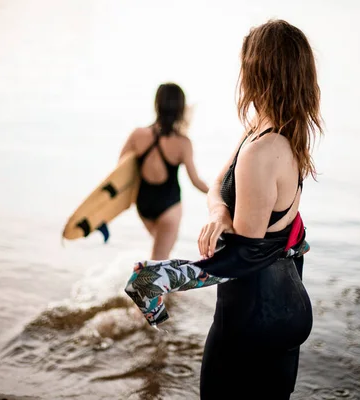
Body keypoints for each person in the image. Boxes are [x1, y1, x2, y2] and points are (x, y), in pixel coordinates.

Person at [124, 19, 321, 399]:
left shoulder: (261, 150)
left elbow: (246, 255)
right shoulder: (274, 133)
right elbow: (218, 186)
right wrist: (220, 215)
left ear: (257, 71)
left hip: (252, 316)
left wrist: (163, 277)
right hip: (290, 308)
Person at [120, 83, 209, 260]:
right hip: (168, 207)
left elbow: (121, 171)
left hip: (143, 204)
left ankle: (148, 284)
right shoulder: (183, 143)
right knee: (159, 259)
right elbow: (195, 181)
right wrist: (219, 193)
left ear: (157, 105)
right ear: (180, 108)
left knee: (159, 254)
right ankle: (145, 286)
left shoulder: (137, 135)